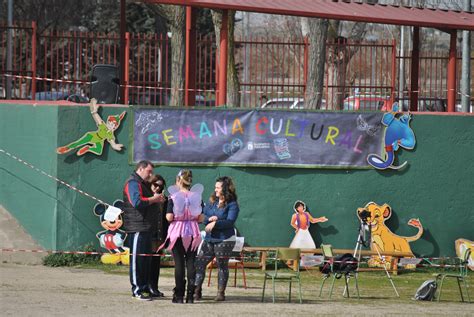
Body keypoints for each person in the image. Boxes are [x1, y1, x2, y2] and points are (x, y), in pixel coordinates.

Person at [122, 160, 165, 301]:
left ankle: (145, 288)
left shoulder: (142, 183)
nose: (151, 174)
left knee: (145, 260)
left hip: (146, 227)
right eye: (149, 171)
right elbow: (137, 202)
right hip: (137, 227)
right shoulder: (133, 183)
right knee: (137, 260)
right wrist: (154, 199)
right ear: (140, 168)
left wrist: (156, 199)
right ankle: (137, 290)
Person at [161, 169, 204, 304]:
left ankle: (179, 295)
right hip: (193, 232)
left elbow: (169, 217)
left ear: (179, 180)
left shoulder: (173, 197)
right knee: (191, 263)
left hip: (177, 231)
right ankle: (190, 295)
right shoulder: (197, 197)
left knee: (179, 263)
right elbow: (201, 218)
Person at [194, 176, 240, 302]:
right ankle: (196, 291)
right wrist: (209, 219)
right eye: (215, 187)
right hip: (209, 238)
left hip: (225, 239)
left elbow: (230, 222)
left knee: (222, 265)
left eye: (218, 188)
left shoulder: (232, 204)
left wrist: (216, 223)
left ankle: (221, 293)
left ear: (225, 189)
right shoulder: (212, 202)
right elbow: (203, 216)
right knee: (199, 264)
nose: (215, 190)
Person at [146, 174, 169, 298]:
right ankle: (145, 287)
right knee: (146, 261)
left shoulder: (163, 199)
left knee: (155, 262)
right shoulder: (145, 197)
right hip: (147, 233)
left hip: (159, 235)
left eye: (160, 186)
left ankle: (154, 287)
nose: (157, 188)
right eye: (155, 185)